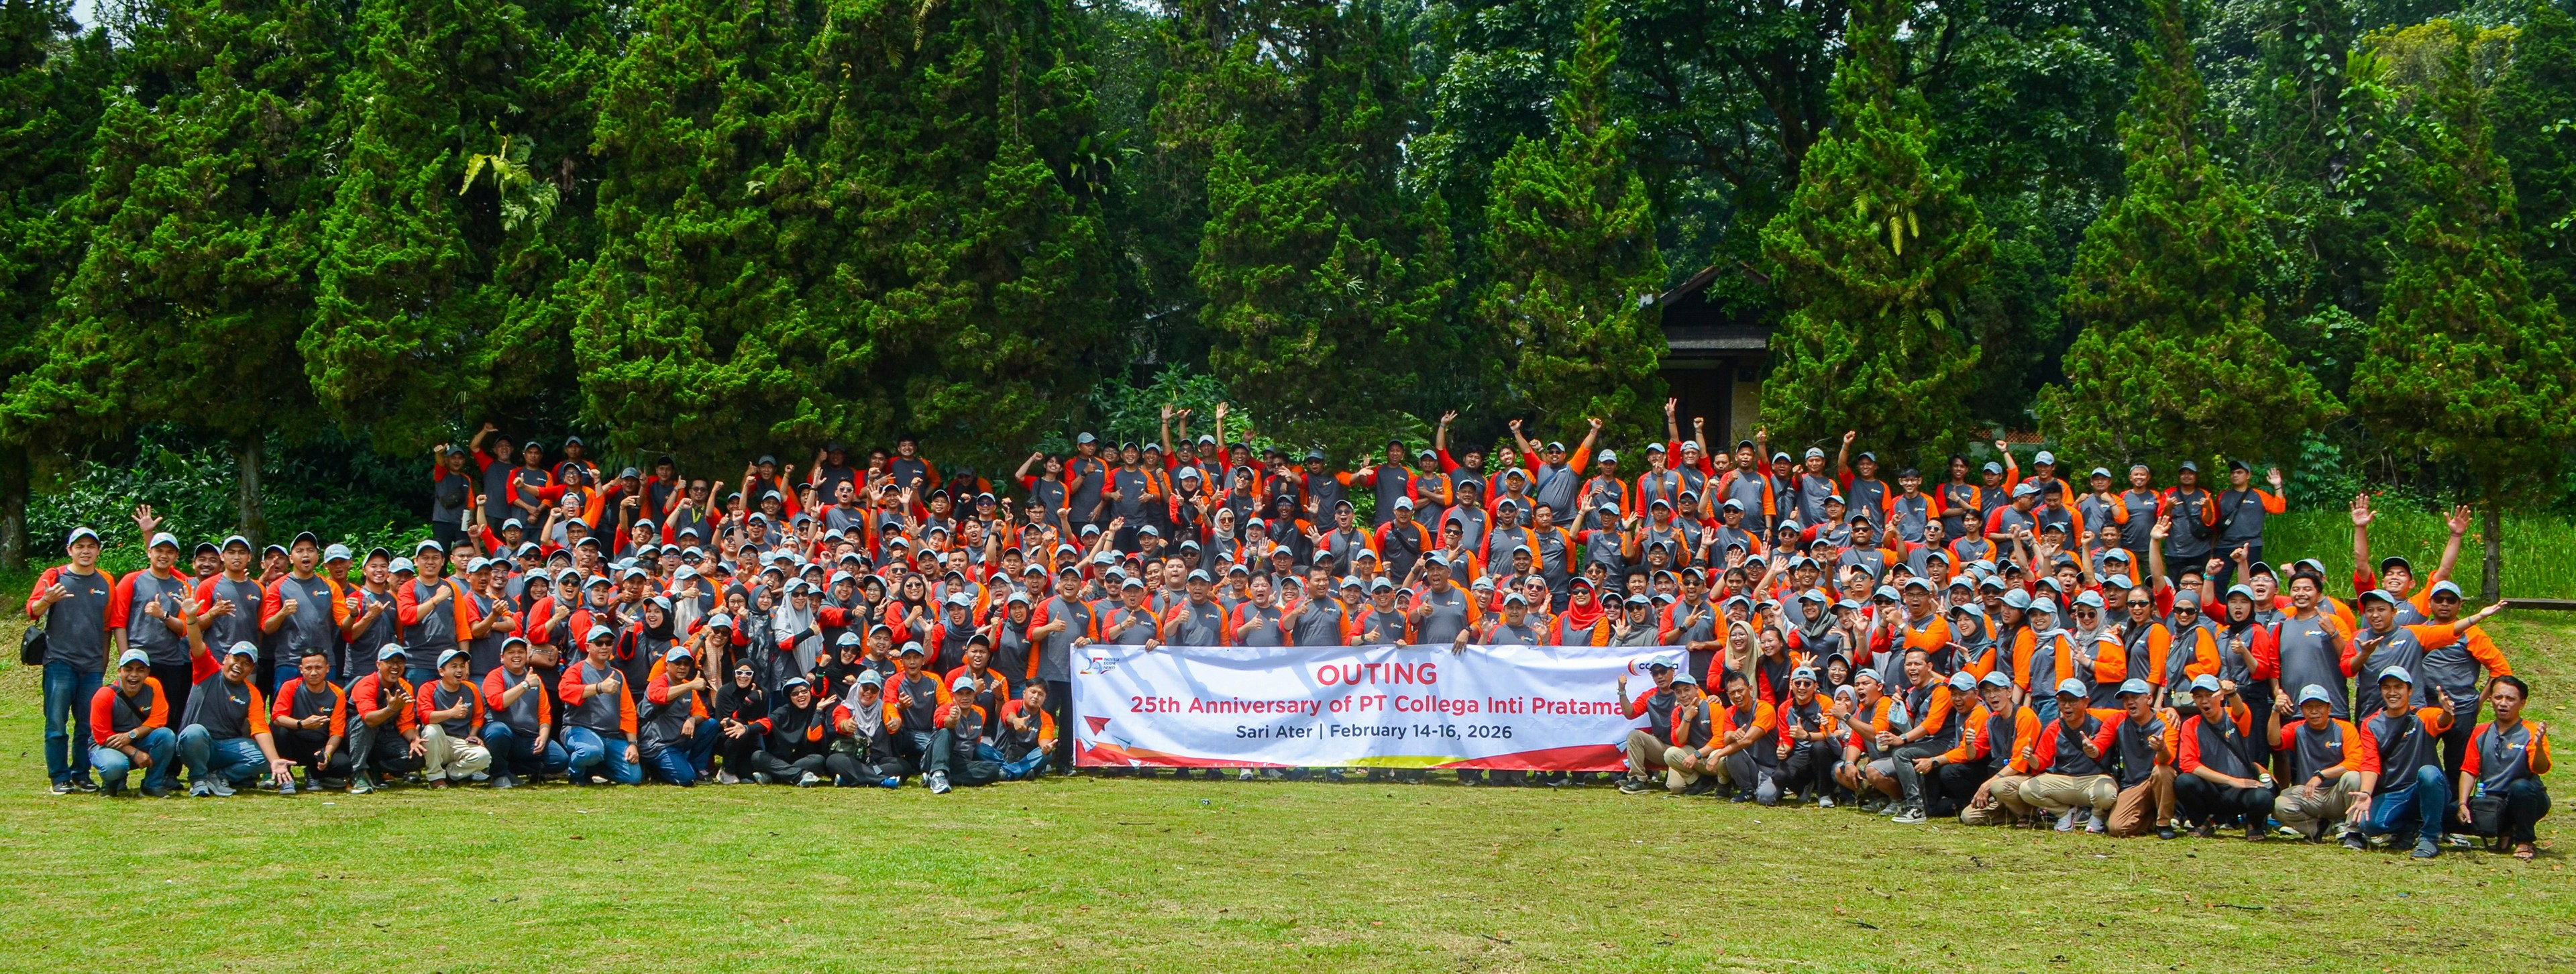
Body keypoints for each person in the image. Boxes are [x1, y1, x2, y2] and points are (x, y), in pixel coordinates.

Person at [29, 526, 117, 794]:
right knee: (56, 722)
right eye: (80, 546)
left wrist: (103, 662)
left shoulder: (106, 581)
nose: (86, 551)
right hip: (59, 661)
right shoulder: (55, 576)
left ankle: (81, 774)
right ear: (70, 550)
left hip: (91, 666)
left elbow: (106, 627)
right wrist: (46, 599)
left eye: (91, 546)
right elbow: (32, 610)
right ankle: (59, 776)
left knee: (87, 724)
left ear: (98, 551)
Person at [2355, 665, 2456, 858]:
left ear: (2409, 691)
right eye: (2387, 687)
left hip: (2425, 787)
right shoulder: (2371, 724)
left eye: (2398, 687)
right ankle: (2409, 828)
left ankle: (2430, 838)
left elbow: (2441, 721)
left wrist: (2447, 712)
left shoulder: (2422, 716)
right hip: (2395, 792)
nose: (2392, 692)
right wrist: (2366, 793)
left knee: (2429, 773)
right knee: (2369, 825)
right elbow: (2370, 761)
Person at [2459, 675, 2549, 859]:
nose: (2503, 704)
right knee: (2447, 815)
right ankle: (2504, 831)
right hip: (2491, 801)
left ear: (2522, 703)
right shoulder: (2481, 732)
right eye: (2498, 697)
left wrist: (2538, 748)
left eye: (2510, 699)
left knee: (2521, 788)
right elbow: (2469, 770)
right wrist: (2462, 803)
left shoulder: (2531, 732)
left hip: (2526, 799)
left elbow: (2541, 768)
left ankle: (2524, 842)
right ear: (2491, 699)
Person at [2174, 674, 2273, 840]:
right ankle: (2203, 822)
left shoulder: (2233, 716)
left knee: (2263, 798)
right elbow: (2188, 763)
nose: (2204, 701)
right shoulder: (2191, 725)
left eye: (2209, 695)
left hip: (2242, 789)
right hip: (2213, 790)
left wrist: (2233, 694)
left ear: (2220, 696)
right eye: (2199, 696)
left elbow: (2241, 711)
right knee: (2184, 781)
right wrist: (2229, 780)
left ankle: (2254, 825)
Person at [2018, 679, 2121, 833]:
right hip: (2064, 780)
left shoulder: (2102, 717)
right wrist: (2031, 758)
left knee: (2107, 793)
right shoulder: (2054, 728)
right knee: (2026, 789)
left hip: (2094, 778)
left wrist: (2167, 712)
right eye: (2062, 701)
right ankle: (2065, 814)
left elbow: (2129, 715)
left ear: (2086, 702)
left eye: (2072, 701)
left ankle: (2097, 816)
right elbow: (2041, 763)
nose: (2067, 706)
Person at [2273, 683, 2369, 843]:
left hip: (2337, 793)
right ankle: (2317, 829)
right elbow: (2274, 741)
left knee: (2354, 777)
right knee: (2279, 804)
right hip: (2310, 795)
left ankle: (2353, 832)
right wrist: (2275, 712)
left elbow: (2356, 761)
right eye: (2309, 707)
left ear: (2329, 708)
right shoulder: (2297, 729)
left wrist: (2322, 775)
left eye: (2319, 706)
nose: (2314, 711)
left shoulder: (2345, 728)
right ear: (2302, 710)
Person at [558, 625, 644, 786]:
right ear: (588, 647)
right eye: (599, 643)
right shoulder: (576, 670)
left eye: (608, 642)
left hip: (611, 736)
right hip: (580, 729)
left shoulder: (618, 675)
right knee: (590, 752)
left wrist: (633, 744)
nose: (604, 647)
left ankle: (594, 768)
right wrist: (599, 688)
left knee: (633, 778)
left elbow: (628, 712)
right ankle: (576, 773)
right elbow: (564, 692)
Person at [90, 648, 178, 797]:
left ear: (148, 672)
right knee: (115, 766)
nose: (134, 675)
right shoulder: (104, 695)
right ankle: (110, 784)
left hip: (137, 740)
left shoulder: (154, 686)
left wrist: (131, 735)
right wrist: (134, 752)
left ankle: (152, 784)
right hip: (107, 746)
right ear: (119, 671)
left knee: (166, 735)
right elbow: (102, 736)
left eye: (140, 670)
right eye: (128, 669)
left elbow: (159, 719)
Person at [480, 637, 565, 787]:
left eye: (521, 652)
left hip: (528, 738)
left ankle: (508, 769)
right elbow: (497, 703)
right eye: (511, 652)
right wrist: (525, 685)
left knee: (560, 759)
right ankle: (499, 775)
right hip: (504, 736)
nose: (517, 656)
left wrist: (543, 737)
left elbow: (544, 714)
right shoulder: (495, 676)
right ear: (502, 658)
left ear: (527, 656)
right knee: (497, 732)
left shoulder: (536, 679)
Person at [2104, 678, 2180, 838]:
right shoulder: (2118, 719)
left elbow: (2167, 760)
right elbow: (2088, 712)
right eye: (2126, 698)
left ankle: (2164, 824)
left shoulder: (2167, 722)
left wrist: (2161, 748)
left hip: (2157, 780)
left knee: (2163, 771)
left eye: (2135, 697)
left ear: (2149, 699)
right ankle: (2151, 818)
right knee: (2117, 828)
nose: (2130, 702)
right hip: (2133, 785)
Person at [344, 645, 427, 793]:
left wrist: (414, 739)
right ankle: (357, 775)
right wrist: (391, 709)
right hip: (354, 736)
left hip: (384, 736)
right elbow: (369, 720)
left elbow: (406, 722)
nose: (395, 666)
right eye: (390, 662)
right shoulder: (366, 684)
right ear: (378, 665)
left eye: (400, 662)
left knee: (416, 758)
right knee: (365, 725)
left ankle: (375, 768)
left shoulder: (405, 688)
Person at [268, 648, 353, 790]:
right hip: (295, 742)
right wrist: (302, 724)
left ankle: (314, 773)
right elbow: (277, 717)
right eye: (309, 668)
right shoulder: (290, 687)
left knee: (343, 766)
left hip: (319, 745)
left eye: (318, 668)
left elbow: (337, 732)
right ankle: (286, 778)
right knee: (279, 729)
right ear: (301, 669)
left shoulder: (337, 694)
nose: (314, 672)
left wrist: (327, 754)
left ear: (327, 669)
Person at [413, 648, 495, 788]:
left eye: (462, 666)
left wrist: (473, 734)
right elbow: (426, 717)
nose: (459, 670)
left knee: (484, 757)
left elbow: (478, 716)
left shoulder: (471, 688)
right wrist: (452, 713)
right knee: (431, 730)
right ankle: (436, 778)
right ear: (441, 671)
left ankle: (450, 774)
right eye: (454, 666)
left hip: (461, 741)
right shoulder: (428, 688)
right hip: (440, 741)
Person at [639, 647, 718, 786]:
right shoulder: (658, 682)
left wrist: (693, 720)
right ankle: (655, 769)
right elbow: (659, 696)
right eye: (677, 663)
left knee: (711, 725)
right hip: (658, 745)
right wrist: (690, 686)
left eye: (686, 663)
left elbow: (702, 713)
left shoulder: (688, 687)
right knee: (687, 779)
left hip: (678, 741)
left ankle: (697, 767)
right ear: (667, 665)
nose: (682, 667)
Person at [1615, 656, 1678, 793]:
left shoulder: (1684, 691)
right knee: (1634, 736)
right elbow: (1630, 713)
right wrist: (1622, 690)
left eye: (1663, 671)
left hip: (1684, 750)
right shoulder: (1650, 695)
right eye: (1655, 673)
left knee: (1676, 787)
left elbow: (1702, 704)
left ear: (1673, 671)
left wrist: (1712, 698)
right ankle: (1639, 780)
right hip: (1664, 748)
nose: (1660, 676)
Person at [991, 682, 1057, 781]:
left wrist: (1046, 748)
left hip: (1026, 759)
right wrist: (1015, 721)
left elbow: (1045, 739)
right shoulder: (1012, 705)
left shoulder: (1046, 718)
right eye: (1033, 692)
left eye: (1040, 694)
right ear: (1024, 693)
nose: (1036, 696)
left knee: (1046, 754)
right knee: (980, 749)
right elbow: (1008, 714)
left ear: (1045, 699)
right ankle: (1022, 772)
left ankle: (1006, 773)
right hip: (1001, 755)